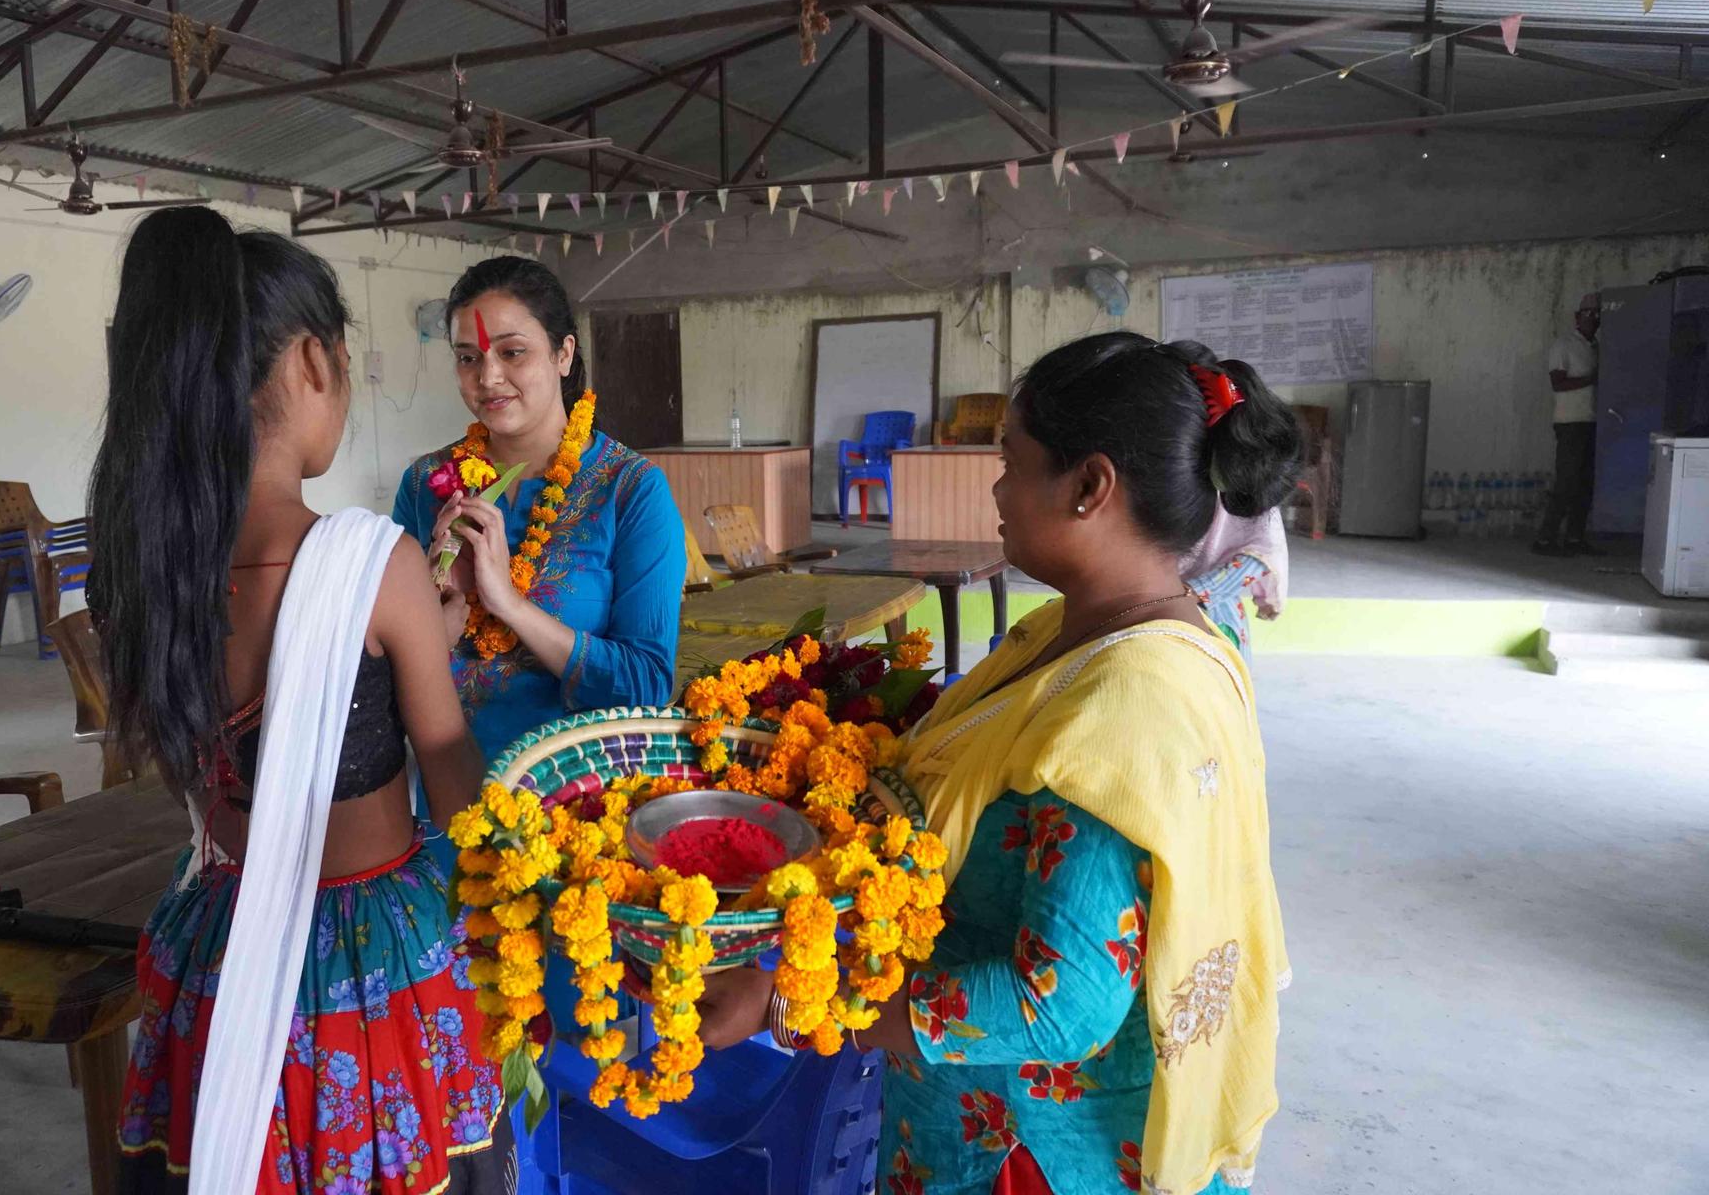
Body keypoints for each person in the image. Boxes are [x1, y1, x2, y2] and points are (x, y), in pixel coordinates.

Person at [697, 332, 1298, 1195]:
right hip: (969, 1114)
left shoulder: (1127, 707)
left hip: (1037, 1154)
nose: (996, 487)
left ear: (1090, 486)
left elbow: (1056, 1004)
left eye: (1012, 462)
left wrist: (790, 1007)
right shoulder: (1075, 630)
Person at [92, 209, 504, 1193]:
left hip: (224, 954)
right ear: (315, 362)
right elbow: (457, 795)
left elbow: (256, 731)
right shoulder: (372, 561)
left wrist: (408, 643)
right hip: (367, 972)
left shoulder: (144, 569)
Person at [392, 256, 683, 769]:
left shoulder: (630, 490)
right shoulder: (426, 485)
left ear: (563, 354)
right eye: (467, 357)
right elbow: (389, 665)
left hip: (578, 799)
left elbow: (648, 685)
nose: (488, 377)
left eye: (513, 352)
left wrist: (510, 604)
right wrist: (434, 592)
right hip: (447, 791)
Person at [1534, 291, 1601, 556]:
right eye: (1588, 314)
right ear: (1577, 316)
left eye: (1597, 316)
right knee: (1567, 483)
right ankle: (1545, 539)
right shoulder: (1563, 345)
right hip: (1570, 423)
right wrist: (1592, 379)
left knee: (1586, 484)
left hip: (1591, 422)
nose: (1593, 319)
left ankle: (1575, 538)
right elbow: (1558, 383)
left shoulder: (1595, 346)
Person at [1179, 503, 1288, 660]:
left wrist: (1191, 591)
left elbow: (1261, 555)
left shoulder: (1247, 492)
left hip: (1216, 612)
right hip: (1158, 601)